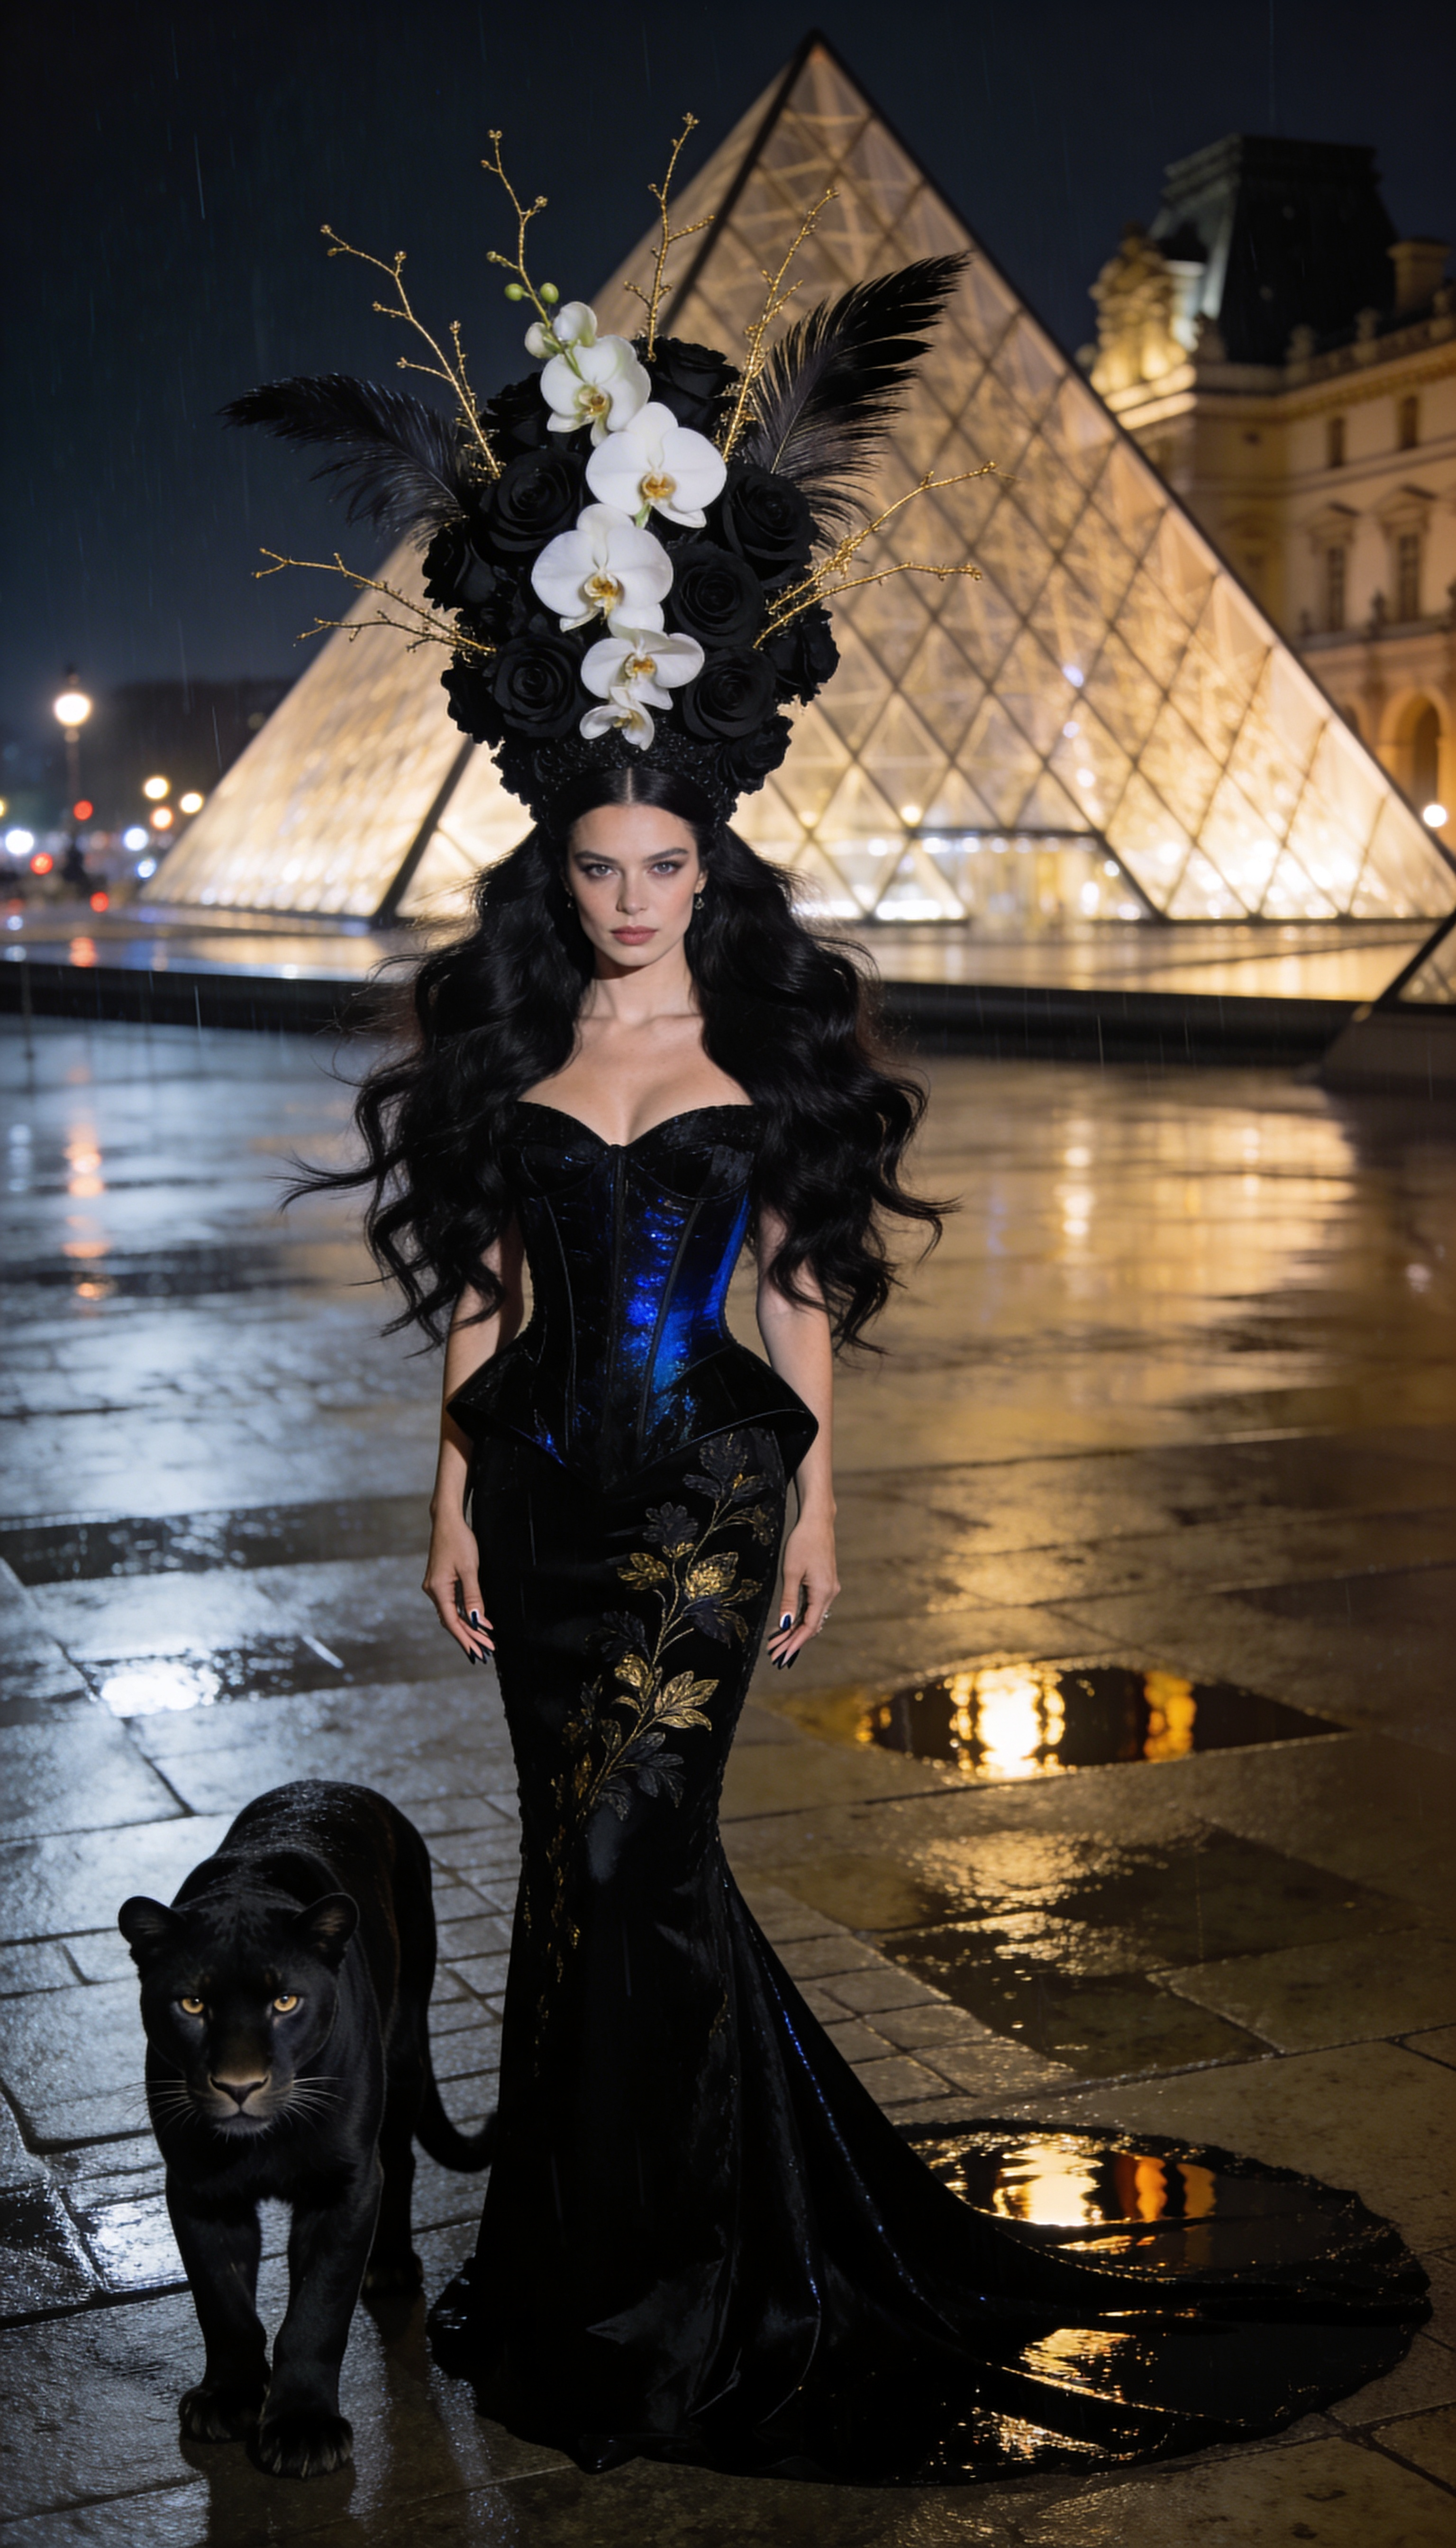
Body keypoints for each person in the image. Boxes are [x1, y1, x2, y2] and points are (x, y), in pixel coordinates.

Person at [246, 169, 1426, 2483]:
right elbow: (491, 1278)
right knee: (589, 1891)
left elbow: (790, 1284)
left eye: (664, 867)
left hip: (698, 1501)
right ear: (553, 864)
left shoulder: (764, 1051)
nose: (627, 899)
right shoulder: (518, 1051)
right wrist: (448, 1490)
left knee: (629, 1865)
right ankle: (636, 2251)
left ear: (717, 864)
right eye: (595, 868)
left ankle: (680, 2290)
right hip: (553, 1502)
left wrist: (822, 1508)